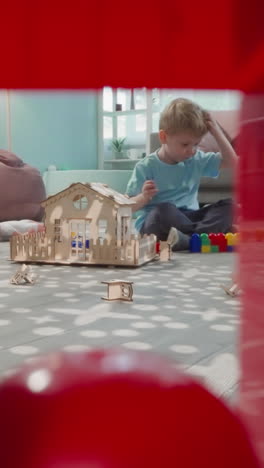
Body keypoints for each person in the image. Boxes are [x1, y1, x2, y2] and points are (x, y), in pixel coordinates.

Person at [126, 98, 237, 250]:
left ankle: (188, 239)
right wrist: (143, 197)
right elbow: (127, 207)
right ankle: (207, 235)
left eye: (196, 144)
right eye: (185, 144)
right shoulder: (146, 166)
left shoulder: (196, 159)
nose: (191, 150)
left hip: (189, 218)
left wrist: (215, 130)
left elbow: (232, 162)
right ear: (164, 137)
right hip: (158, 222)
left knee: (231, 206)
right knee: (162, 210)